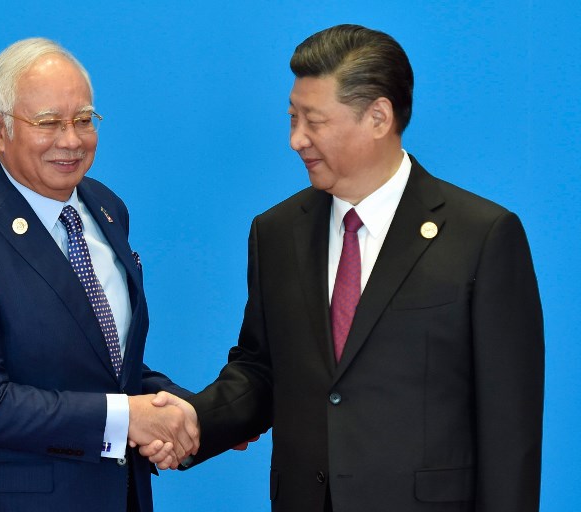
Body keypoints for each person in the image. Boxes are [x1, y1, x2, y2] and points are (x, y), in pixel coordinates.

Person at [158, 24, 544, 511]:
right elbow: (262, 369)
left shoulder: (481, 236)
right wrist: (195, 421)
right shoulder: (276, 232)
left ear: (378, 116)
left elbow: (509, 425)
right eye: (292, 117)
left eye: (313, 121)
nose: (295, 139)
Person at [0, 38, 198, 512]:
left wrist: (194, 413)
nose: (71, 140)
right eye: (48, 123)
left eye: (84, 120)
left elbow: (103, 364)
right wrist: (129, 418)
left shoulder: (107, 207)